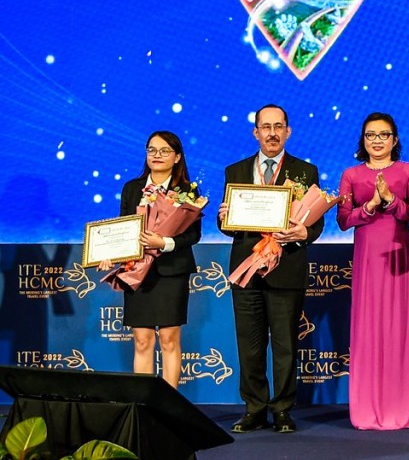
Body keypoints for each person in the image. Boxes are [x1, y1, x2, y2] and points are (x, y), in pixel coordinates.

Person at [218, 105, 323, 434]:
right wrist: (224, 219)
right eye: (266, 127)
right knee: (249, 345)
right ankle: (254, 408)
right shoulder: (235, 171)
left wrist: (305, 232)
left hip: (286, 268)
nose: (272, 133)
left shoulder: (305, 171)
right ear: (256, 132)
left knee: (285, 344)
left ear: (288, 132)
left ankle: (282, 410)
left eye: (279, 127)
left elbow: (315, 222)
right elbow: (229, 226)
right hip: (246, 270)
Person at [337, 112, 409, 430]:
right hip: (367, 259)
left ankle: (399, 408)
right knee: (368, 329)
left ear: (394, 139)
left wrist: (391, 200)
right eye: (370, 135)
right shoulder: (351, 174)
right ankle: (366, 408)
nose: (377, 140)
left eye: (383, 135)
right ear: (363, 139)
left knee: (398, 330)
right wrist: (371, 206)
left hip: (398, 258)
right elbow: (343, 220)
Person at [99, 131, 201, 389]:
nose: (157, 155)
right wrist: (108, 253)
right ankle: (144, 402)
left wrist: (163, 243)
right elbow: (123, 228)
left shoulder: (187, 191)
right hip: (137, 272)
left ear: (177, 157)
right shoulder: (132, 188)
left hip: (171, 272)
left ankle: (169, 403)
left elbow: (193, 235)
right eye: (152, 150)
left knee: (169, 339)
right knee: (142, 340)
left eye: (164, 151)